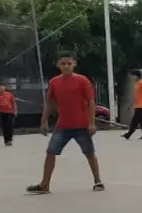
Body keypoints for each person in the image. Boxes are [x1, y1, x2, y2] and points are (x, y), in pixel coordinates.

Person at [27, 52, 104, 194]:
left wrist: (92, 123)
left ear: (74, 64)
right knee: (50, 152)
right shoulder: (54, 82)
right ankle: (44, 185)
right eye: (63, 64)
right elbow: (50, 103)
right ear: (58, 65)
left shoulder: (82, 81)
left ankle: (98, 181)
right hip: (63, 126)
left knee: (89, 153)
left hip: (82, 125)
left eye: (69, 63)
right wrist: (43, 122)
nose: (66, 66)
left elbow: (91, 102)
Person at [122, 69, 142, 140]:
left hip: (141, 106)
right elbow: (136, 96)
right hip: (137, 106)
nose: (131, 77)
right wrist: (131, 105)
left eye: (132, 76)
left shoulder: (141, 83)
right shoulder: (136, 84)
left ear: (136, 76)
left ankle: (128, 134)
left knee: (135, 121)